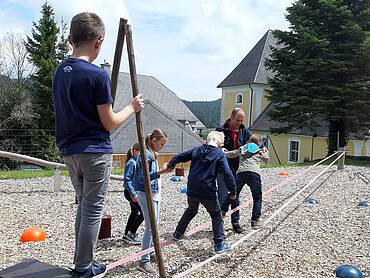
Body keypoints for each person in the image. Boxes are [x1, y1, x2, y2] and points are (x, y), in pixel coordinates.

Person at [52, 12, 144, 278]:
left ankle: (81, 262)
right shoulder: (96, 75)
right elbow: (109, 123)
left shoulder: (60, 71)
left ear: (70, 39)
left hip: (69, 151)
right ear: (99, 42)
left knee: (83, 205)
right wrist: (132, 106)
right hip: (94, 151)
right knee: (92, 209)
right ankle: (83, 267)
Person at [168, 131, 237, 254]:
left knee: (191, 209)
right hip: (207, 190)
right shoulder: (219, 154)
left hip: (192, 188)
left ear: (207, 140)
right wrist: (233, 191)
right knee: (216, 215)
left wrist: (171, 165)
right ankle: (219, 244)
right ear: (220, 143)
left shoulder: (197, 150)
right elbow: (227, 174)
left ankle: (178, 233)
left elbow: (179, 156)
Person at [133, 128, 172, 274]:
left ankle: (149, 252)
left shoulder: (153, 154)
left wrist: (161, 170)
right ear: (153, 141)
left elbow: (150, 175)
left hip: (154, 194)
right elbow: (143, 179)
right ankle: (143, 261)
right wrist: (161, 172)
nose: (162, 147)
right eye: (161, 144)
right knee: (150, 227)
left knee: (154, 225)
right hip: (146, 194)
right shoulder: (145, 156)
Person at [221, 134, 269, 230]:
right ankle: (255, 221)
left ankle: (222, 211)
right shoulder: (260, 150)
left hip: (241, 173)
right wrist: (265, 152)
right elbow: (266, 159)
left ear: (248, 141)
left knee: (233, 194)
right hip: (254, 174)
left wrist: (224, 152)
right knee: (257, 198)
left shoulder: (243, 148)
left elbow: (231, 154)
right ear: (259, 143)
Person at [216, 108, 251, 233]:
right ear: (231, 117)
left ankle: (235, 222)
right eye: (237, 120)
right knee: (222, 196)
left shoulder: (245, 131)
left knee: (235, 196)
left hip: (238, 169)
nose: (239, 123)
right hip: (223, 169)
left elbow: (254, 143)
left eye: (241, 120)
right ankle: (218, 224)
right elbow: (214, 147)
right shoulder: (220, 131)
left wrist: (261, 149)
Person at [122, 143, 143, 245]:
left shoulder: (135, 162)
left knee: (134, 212)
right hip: (130, 193)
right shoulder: (132, 163)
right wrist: (133, 194)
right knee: (144, 212)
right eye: (140, 152)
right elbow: (126, 180)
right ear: (135, 151)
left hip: (132, 192)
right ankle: (132, 233)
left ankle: (126, 234)